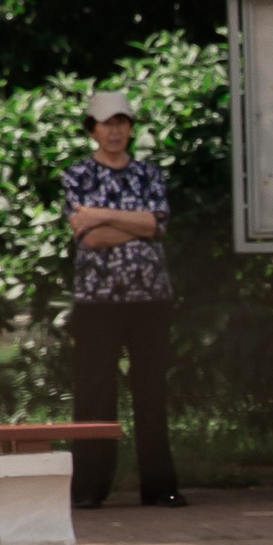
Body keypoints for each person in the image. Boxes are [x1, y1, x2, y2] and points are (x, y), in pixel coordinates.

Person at [65, 90, 183, 510]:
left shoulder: (149, 174)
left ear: (131, 127)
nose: (114, 130)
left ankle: (160, 486)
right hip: (97, 302)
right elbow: (89, 237)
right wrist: (136, 224)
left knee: (150, 388)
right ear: (92, 129)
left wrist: (103, 214)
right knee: (95, 392)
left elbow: (157, 225)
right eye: (106, 122)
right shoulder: (77, 175)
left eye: (122, 122)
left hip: (150, 299)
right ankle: (89, 488)